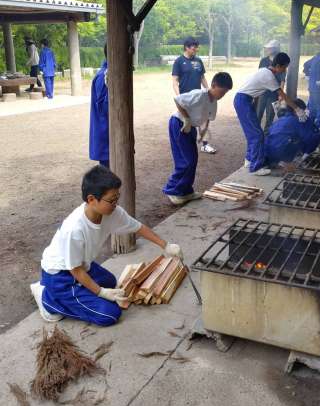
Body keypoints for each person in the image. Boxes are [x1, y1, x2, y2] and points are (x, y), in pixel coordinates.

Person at [30, 165, 183, 326]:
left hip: (82, 265)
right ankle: (47, 299)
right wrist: (101, 292)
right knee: (109, 315)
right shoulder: (74, 229)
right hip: (61, 275)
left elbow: (138, 227)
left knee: (110, 281)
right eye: (111, 200)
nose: (116, 204)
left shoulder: (112, 212)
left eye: (117, 198)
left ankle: (72, 293)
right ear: (91, 199)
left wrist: (166, 246)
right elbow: (75, 270)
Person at [163, 72, 233, 205]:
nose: (222, 95)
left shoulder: (214, 102)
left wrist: (203, 131)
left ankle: (186, 191)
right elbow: (178, 100)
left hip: (191, 127)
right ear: (213, 85)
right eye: (222, 92)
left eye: (225, 93)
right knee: (186, 160)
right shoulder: (199, 95)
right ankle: (173, 190)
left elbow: (208, 117)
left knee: (193, 160)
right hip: (179, 124)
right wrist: (186, 119)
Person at [234, 52, 306, 176]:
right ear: (278, 65)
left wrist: (253, 106)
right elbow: (283, 96)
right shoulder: (269, 76)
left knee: (253, 133)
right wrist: (297, 109)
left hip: (244, 100)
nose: (284, 70)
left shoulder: (264, 71)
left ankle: (249, 160)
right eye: (284, 67)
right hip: (243, 101)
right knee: (257, 135)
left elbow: (256, 91)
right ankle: (256, 167)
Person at [172, 37, 216, 154]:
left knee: (203, 118)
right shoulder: (179, 61)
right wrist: (179, 97)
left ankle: (205, 145)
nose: (196, 49)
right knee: (186, 121)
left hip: (198, 96)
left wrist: (208, 91)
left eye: (196, 47)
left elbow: (202, 77)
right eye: (194, 47)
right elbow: (175, 81)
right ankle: (186, 145)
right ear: (186, 48)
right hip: (186, 98)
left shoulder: (198, 61)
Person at [264, 99, 320, 167]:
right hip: (282, 153)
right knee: (310, 137)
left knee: (295, 136)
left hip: (267, 153)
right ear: (296, 110)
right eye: (303, 110)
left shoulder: (279, 120)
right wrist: (306, 154)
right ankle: (290, 161)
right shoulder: (297, 121)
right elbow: (311, 138)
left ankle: (277, 162)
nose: (304, 112)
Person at [256, 39, 286, 132]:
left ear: (276, 49)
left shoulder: (281, 62)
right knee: (258, 113)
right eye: (268, 48)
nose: (268, 49)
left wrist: (280, 94)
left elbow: (282, 79)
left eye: (270, 48)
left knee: (270, 115)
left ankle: (266, 134)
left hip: (274, 93)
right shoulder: (263, 61)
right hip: (263, 91)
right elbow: (259, 76)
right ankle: (256, 132)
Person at [89, 45, 109, 168]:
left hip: (109, 135)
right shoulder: (103, 76)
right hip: (105, 135)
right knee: (108, 174)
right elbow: (103, 108)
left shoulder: (108, 74)